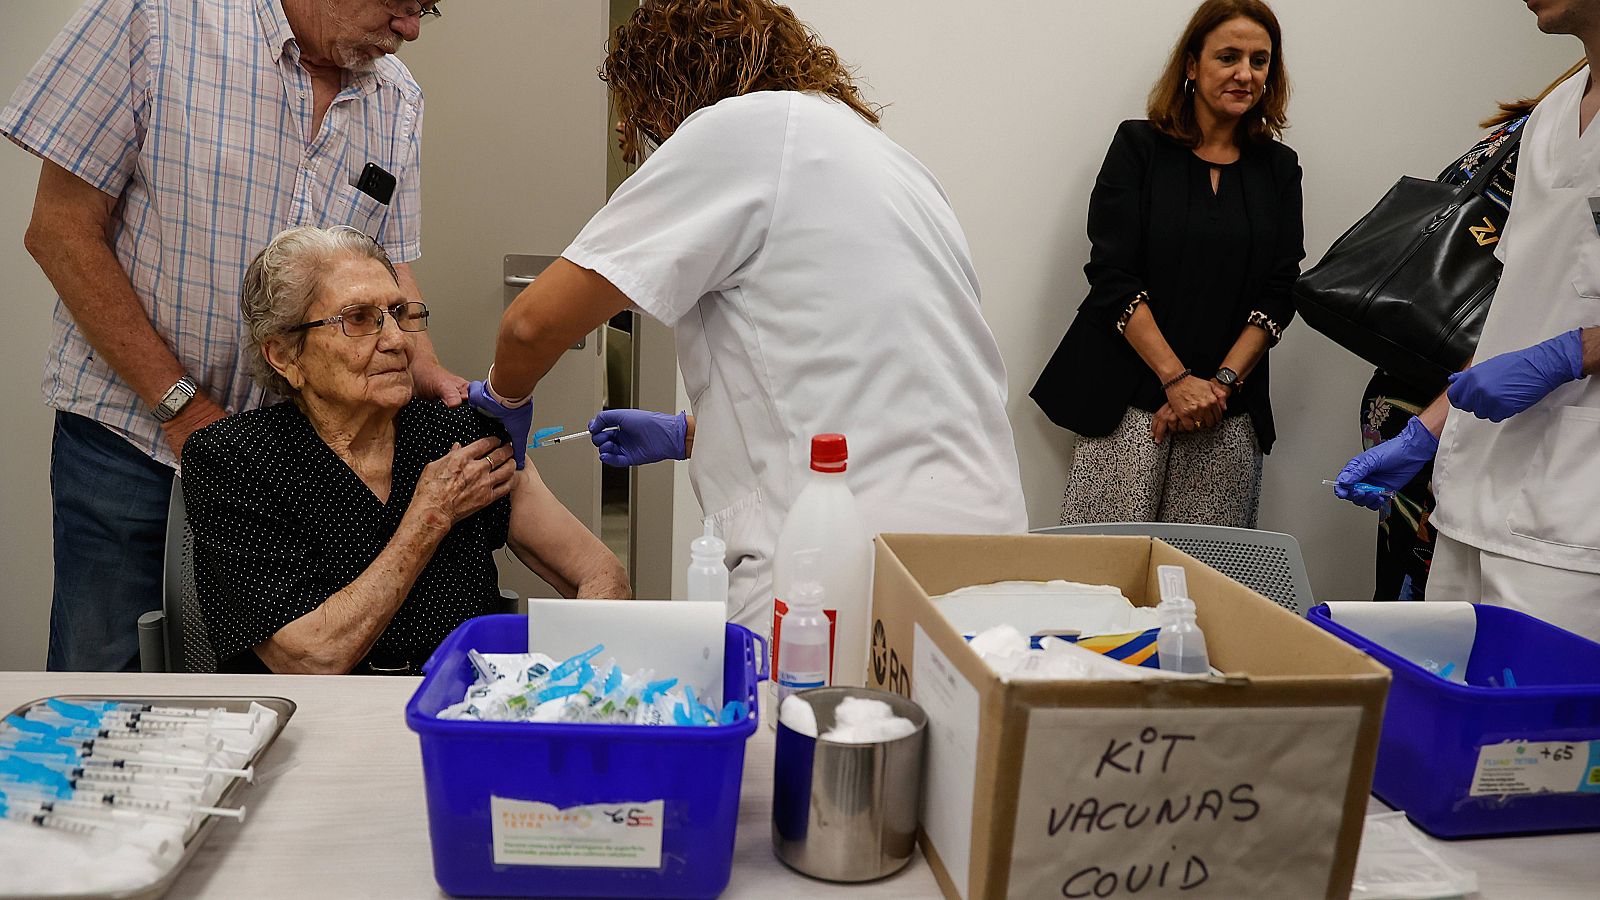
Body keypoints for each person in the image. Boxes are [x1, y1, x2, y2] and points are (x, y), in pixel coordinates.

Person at [467, 0, 1027, 629]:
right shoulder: (882, 158)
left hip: (843, 562)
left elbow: (531, 324)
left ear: (662, 95)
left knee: (789, 724)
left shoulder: (738, 131)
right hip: (984, 550)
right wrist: (690, 434)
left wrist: (502, 401)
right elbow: (860, 375)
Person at [1, 0, 466, 672]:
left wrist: (423, 366)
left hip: (290, 459)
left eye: (425, 10)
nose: (411, 30)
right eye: (401, 5)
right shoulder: (156, 18)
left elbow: (388, 265)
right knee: (106, 686)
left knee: (283, 695)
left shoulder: (397, 96)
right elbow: (60, 233)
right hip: (133, 439)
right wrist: (182, 409)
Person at [182, 226, 629, 675]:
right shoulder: (234, 461)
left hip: (456, 715)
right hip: (318, 728)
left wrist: (560, 697)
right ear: (284, 354)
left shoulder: (459, 436)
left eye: (399, 313)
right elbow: (309, 659)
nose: (398, 340)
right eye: (358, 318)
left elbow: (601, 575)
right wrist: (430, 516)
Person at [1337, 0, 1600, 641]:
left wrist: (1571, 354)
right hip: (1474, 492)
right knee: (1460, 714)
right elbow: (1518, 303)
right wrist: (1430, 428)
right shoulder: (1555, 111)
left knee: (1544, 731)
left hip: (1575, 514)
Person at [1030, 0, 1302, 528]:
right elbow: (1112, 273)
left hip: (1227, 411)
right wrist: (1176, 381)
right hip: (1125, 402)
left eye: (1260, 60)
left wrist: (1217, 386)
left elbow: (1280, 288)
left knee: (1206, 589)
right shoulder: (1138, 147)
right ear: (1192, 65)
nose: (1245, 74)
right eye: (1228, 57)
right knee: (1102, 580)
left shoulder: (1279, 168)